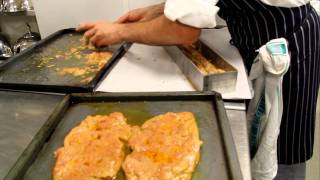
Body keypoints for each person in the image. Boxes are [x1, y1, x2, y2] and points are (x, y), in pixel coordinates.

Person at [77, 0, 320, 179]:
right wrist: (159, 10)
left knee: (284, 146)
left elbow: (183, 31)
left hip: (286, 45)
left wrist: (118, 32)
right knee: (263, 138)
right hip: (259, 36)